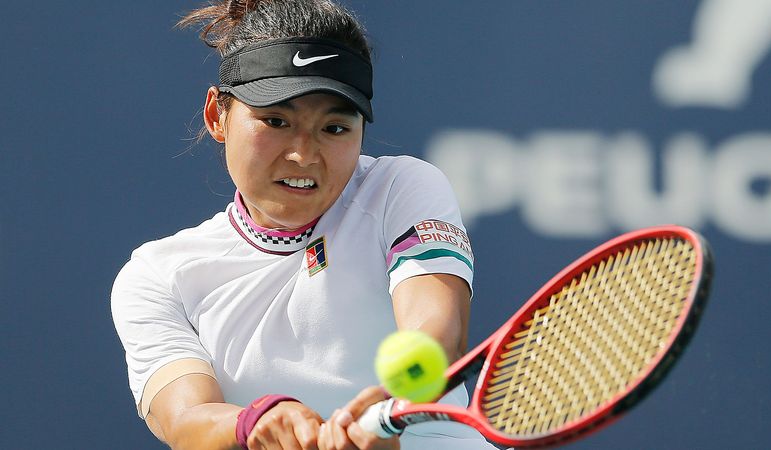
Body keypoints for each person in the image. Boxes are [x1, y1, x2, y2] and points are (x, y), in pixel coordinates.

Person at [111, 1, 496, 449]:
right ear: (217, 115)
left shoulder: (400, 186)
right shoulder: (156, 276)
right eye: (276, 121)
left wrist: (391, 406)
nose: (304, 155)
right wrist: (258, 420)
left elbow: (436, 329)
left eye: (334, 129)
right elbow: (186, 422)